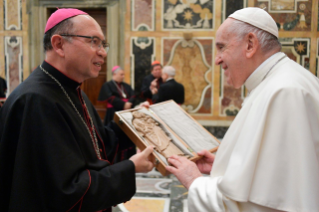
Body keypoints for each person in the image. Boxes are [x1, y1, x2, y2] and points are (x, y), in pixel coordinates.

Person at [0, 8, 154, 212]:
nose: (103, 52)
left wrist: (137, 122)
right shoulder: (36, 100)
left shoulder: (71, 89)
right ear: (59, 44)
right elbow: (65, 191)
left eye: (103, 43)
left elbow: (96, 147)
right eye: (94, 41)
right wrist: (130, 167)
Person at [166, 7, 319, 212]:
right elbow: (270, 176)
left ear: (250, 44)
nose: (217, 59)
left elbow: (264, 205)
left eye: (222, 47)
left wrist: (195, 181)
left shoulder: (284, 92)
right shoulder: (281, 81)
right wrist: (225, 165)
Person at [98, 65, 137, 162]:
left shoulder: (125, 86)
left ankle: (128, 159)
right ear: (114, 74)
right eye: (121, 74)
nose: (123, 76)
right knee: (114, 136)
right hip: (113, 114)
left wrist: (129, 103)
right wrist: (123, 104)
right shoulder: (107, 85)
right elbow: (110, 98)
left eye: (123, 74)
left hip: (126, 114)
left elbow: (133, 94)